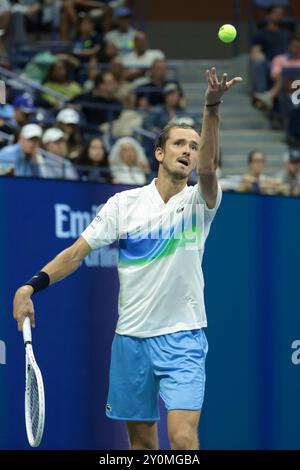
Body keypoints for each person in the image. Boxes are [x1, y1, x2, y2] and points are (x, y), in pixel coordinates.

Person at [12, 67, 242, 450]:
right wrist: (30, 285)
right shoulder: (124, 204)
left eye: (194, 145)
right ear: (159, 152)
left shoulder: (199, 203)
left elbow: (209, 169)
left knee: (183, 440)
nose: (188, 150)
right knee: (142, 446)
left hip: (183, 336)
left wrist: (211, 107)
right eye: (180, 143)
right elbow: (75, 254)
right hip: (130, 340)